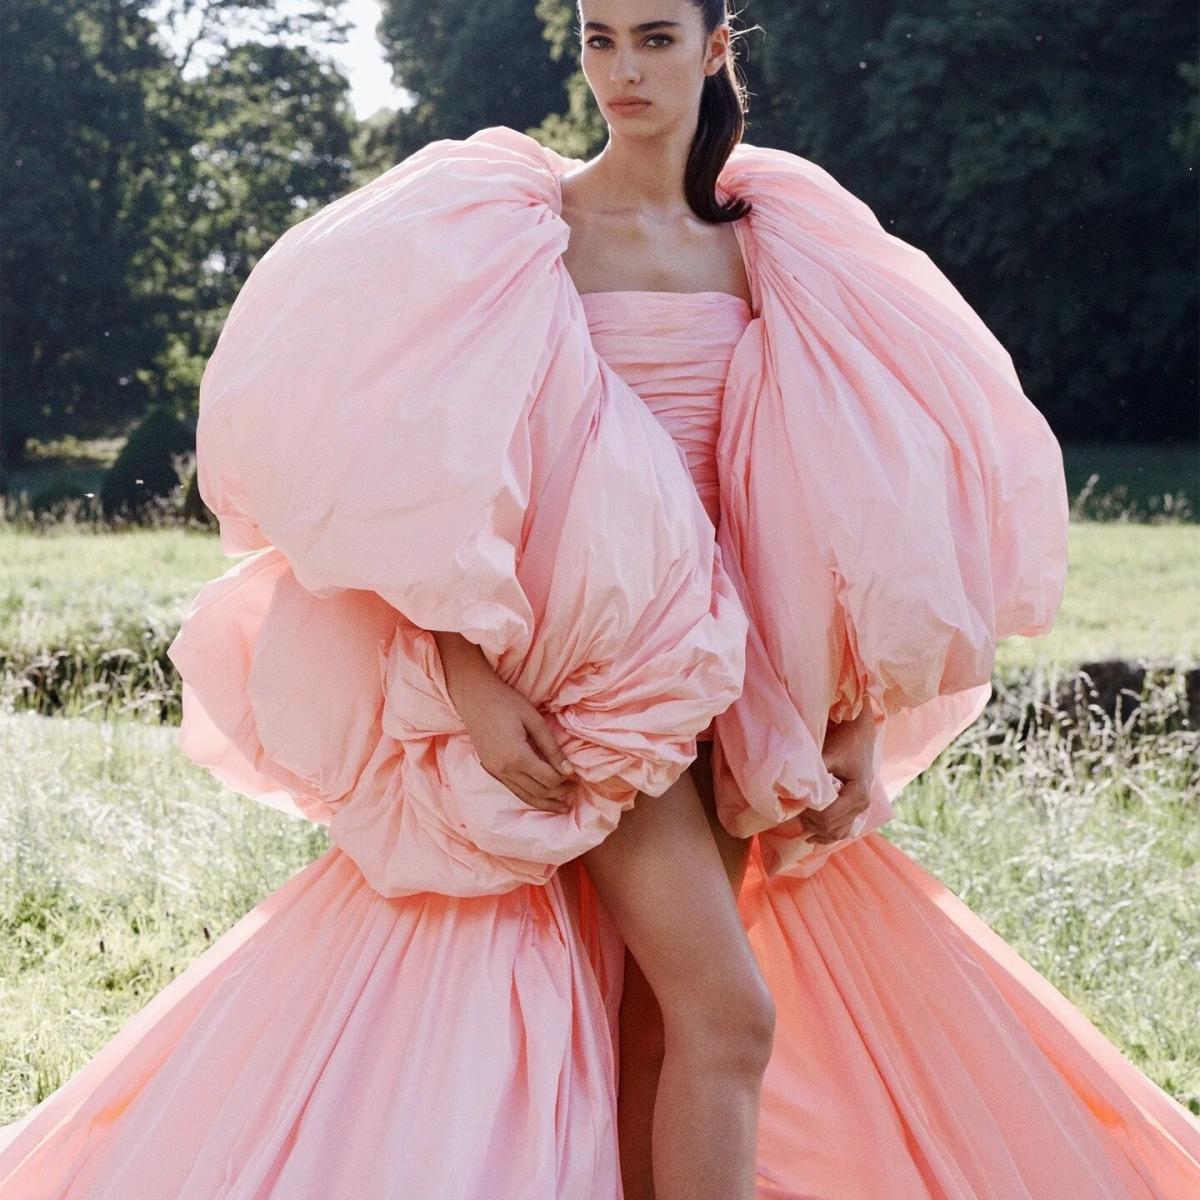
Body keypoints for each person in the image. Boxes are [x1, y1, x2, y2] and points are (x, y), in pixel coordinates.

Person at [2, 3, 1198, 1198]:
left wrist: (858, 712)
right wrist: (466, 676)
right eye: (600, 37)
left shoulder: (777, 239)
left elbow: (858, 492)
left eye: (656, 39)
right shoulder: (523, 227)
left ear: (718, 47)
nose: (622, 70)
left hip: (731, 677)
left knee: (656, 1021)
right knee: (729, 1013)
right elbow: (424, 473)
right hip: (586, 672)